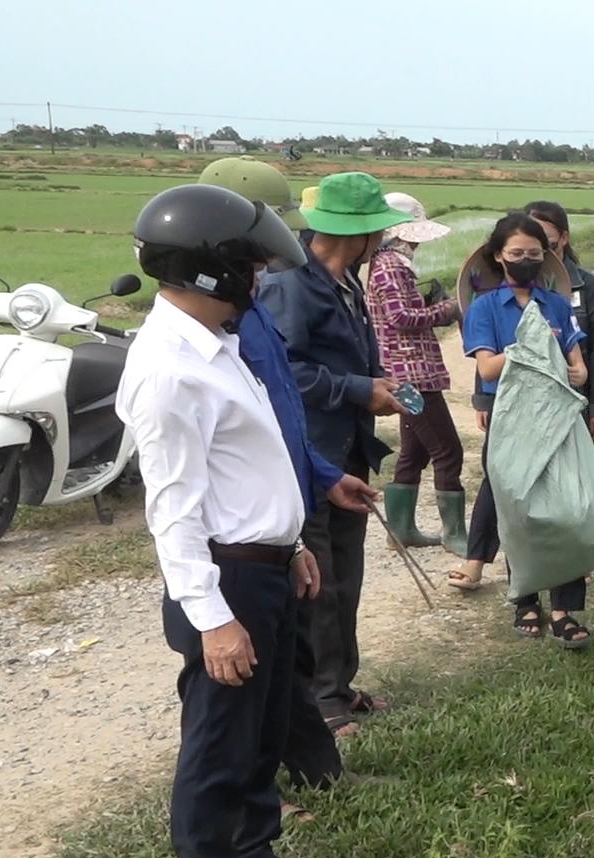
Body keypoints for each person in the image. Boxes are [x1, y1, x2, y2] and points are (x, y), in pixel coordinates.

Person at [119, 184, 351, 858]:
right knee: (219, 739)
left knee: (259, 732)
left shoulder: (218, 344)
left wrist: (288, 553)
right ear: (212, 269)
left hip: (262, 569)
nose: (259, 277)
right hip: (222, 582)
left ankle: (252, 855)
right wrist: (212, 620)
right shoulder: (168, 372)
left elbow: (247, 466)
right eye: (249, 263)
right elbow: (175, 511)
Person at [197, 158, 381, 798]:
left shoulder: (330, 286)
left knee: (334, 587)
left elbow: (283, 391)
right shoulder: (277, 294)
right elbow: (281, 389)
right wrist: (359, 389)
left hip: (322, 462)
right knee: (312, 598)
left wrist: (332, 464)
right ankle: (316, 710)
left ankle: (327, 711)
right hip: (276, 492)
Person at [260, 172, 411, 730]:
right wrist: (355, 389)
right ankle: (318, 700)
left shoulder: (346, 280)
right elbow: (283, 373)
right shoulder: (289, 286)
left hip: (347, 448)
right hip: (310, 454)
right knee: (318, 579)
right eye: (380, 232)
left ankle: (339, 686)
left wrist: (375, 383)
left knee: (346, 574)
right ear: (360, 234)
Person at [449, 213, 594, 647]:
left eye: (534, 254)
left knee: (567, 508)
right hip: (510, 420)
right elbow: (488, 366)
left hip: (557, 420)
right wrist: (531, 348)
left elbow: (580, 370)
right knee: (519, 510)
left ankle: (566, 609)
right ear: (499, 256)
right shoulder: (485, 308)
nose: (526, 261)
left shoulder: (555, 304)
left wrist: (571, 368)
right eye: (517, 254)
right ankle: (525, 599)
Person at [369, 192, 465, 553]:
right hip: (412, 374)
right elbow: (400, 318)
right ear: (401, 234)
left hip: (404, 371)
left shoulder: (384, 263)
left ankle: (402, 531)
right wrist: (446, 310)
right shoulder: (392, 266)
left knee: (415, 452)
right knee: (448, 451)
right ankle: (454, 534)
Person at [525, 200, 594, 446]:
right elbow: (495, 342)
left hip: (577, 401)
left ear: (564, 238)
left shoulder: (590, 289)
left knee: (578, 477)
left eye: (548, 240)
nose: (542, 249)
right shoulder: (514, 286)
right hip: (525, 402)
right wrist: (484, 399)